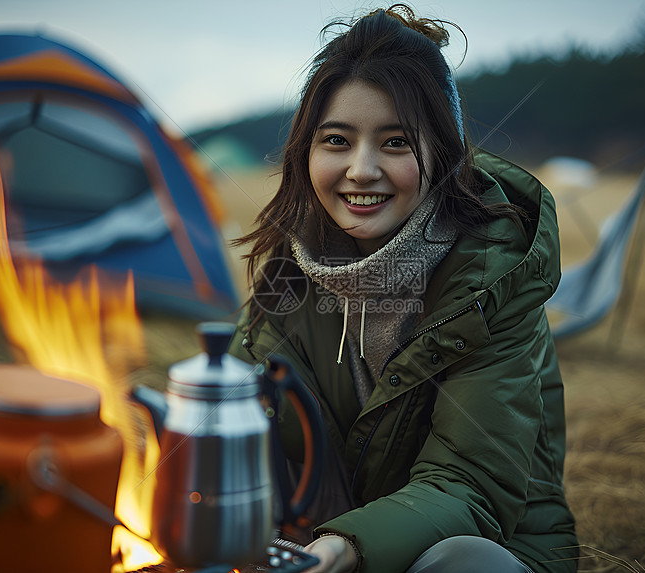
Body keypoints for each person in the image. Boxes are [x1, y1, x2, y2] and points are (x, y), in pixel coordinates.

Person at [228, 4, 577, 572]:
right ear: (306, 153)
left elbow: (471, 486)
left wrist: (345, 546)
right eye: (337, 140)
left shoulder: (492, 288)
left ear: (442, 153)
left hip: (481, 550)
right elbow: (240, 422)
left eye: (394, 143)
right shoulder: (290, 274)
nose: (361, 170)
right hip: (319, 548)